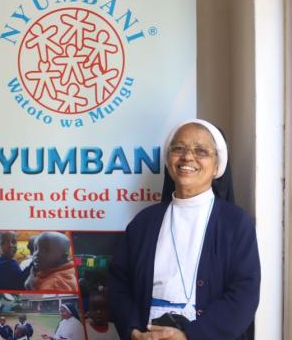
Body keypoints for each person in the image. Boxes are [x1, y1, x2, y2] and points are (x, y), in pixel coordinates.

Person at [108, 119, 261, 340]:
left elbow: (244, 294)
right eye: (178, 149)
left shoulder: (236, 223)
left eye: (201, 151)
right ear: (168, 160)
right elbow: (118, 284)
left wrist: (189, 336)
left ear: (217, 166)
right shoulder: (143, 222)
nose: (187, 157)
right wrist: (132, 331)